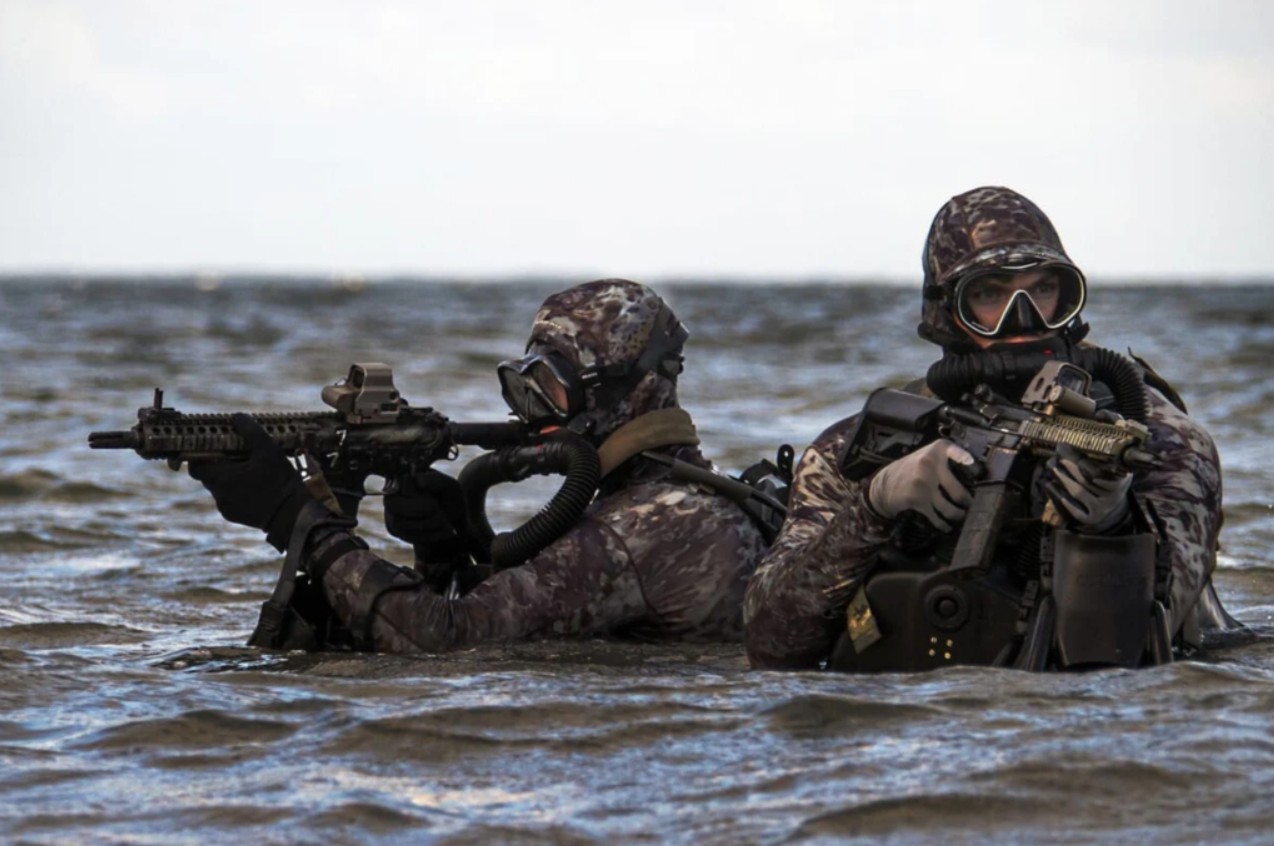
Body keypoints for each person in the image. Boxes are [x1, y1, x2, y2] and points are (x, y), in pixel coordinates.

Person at [744, 185, 1244, 672]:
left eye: (1043, 289)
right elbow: (770, 643)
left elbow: (1152, 649)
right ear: (946, 311)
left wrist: (1113, 528)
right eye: (989, 294)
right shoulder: (861, 444)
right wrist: (873, 506)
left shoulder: (1160, 438)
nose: (1023, 318)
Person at [190, 279, 769, 652]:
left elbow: (442, 642)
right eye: (524, 386)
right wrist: (445, 553)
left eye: (551, 387)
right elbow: (527, 616)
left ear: (625, 393)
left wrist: (297, 519)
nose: (533, 411)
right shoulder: (680, 502)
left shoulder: (640, 528)